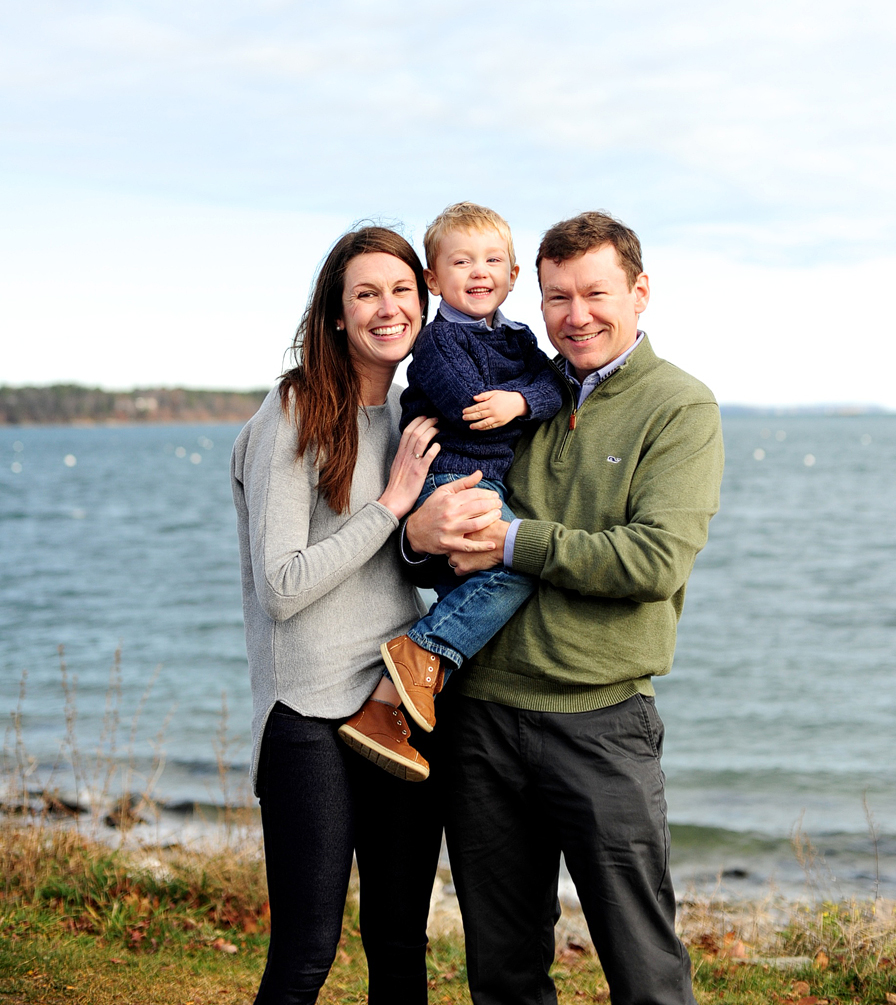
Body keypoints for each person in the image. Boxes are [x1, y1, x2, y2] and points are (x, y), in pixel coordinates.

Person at [405, 212, 725, 1005]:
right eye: (557, 297)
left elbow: (651, 560)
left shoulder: (680, 408)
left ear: (640, 292)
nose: (576, 315)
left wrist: (517, 543)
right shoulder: (519, 393)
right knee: (504, 972)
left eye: (595, 293)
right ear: (535, 298)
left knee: (645, 970)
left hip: (601, 723)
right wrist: (415, 536)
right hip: (480, 719)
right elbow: (440, 525)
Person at [231, 226, 470, 1004]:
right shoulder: (295, 407)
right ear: (337, 313)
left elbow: (404, 565)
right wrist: (392, 505)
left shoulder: (413, 416)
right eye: (366, 292)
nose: (387, 307)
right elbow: (283, 585)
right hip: (307, 711)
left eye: (402, 290)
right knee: (307, 951)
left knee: (400, 945)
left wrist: (434, 535)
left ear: (424, 302)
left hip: (394, 705)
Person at [339, 203, 564, 775]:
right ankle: (419, 653)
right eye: (462, 261)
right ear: (434, 280)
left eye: (493, 260)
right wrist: (517, 402)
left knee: (484, 580)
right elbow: (469, 410)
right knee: (516, 564)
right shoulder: (439, 341)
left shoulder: (517, 338)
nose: (479, 271)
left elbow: (553, 386)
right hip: (451, 475)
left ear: (514, 276)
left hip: (478, 477)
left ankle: (384, 710)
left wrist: (520, 399)